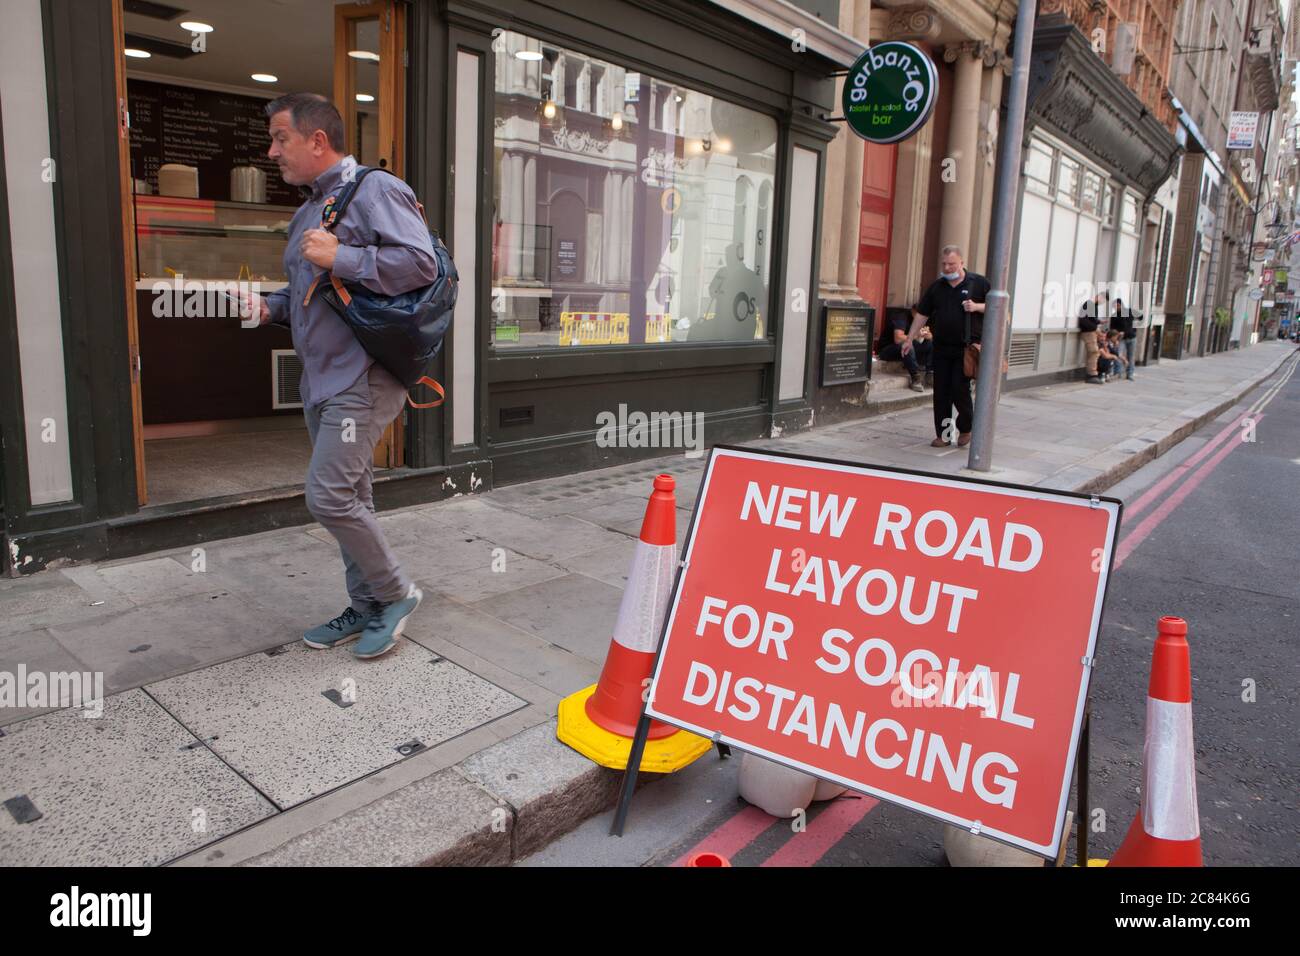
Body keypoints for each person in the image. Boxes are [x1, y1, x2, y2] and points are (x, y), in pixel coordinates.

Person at [240, 93, 438, 660]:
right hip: (320, 379)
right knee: (353, 494)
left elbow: (419, 265)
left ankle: (396, 593)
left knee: (327, 497)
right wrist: (268, 308)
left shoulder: (376, 190)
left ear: (317, 141)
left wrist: (342, 258)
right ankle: (367, 601)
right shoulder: (308, 212)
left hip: (364, 376)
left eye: (280, 138)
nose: (271, 150)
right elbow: (306, 294)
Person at [902, 245, 990, 447]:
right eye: (944, 264)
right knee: (941, 392)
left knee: (959, 390)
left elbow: (1001, 308)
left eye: (951, 264)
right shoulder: (937, 287)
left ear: (962, 263)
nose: (947, 267)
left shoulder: (978, 284)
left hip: (965, 349)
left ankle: (966, 427)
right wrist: (909, 339)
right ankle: (945, 435)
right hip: (941, 348)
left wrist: (976, 307)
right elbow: (922, 315)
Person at [877, 311, 931, 391]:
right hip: (887, 350)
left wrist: (928, 336)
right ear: (913, 311)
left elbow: (930, 336)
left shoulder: (921, 321)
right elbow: (898, 339)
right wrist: (916, 336)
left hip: (904, 351)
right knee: (907, 345)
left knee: (930, 343)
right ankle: (915, 378)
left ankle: (929, 373)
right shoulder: (901, 317)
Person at [1077, 291, 1108, 384]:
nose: (1102, 302)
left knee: (1093, 353)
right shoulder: (1090, 304)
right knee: (1094, 352)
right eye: (1103, 300)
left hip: (1090, 331)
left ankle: (1092, 374)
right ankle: (1092, 374)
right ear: (1099, 297)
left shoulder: (1092, 305)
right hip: (1088, 332)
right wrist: (1095, 325)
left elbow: (1091, 318)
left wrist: (1098, 322)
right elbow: (1085, 320)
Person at [1111, 297, 1140, 380]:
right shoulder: (1114, 316)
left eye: (1115, 306)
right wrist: (1116, 336)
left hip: (1132, 337)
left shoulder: (1130, 311)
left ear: (1120, 305)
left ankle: (1130, 374)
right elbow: (1112, 329)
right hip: (1121, 338)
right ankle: (1118, 372)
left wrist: (1134, 327)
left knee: (1131, 356)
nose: (1114, 308)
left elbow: (1141, 316)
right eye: (1114, 307)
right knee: (1118, 354)